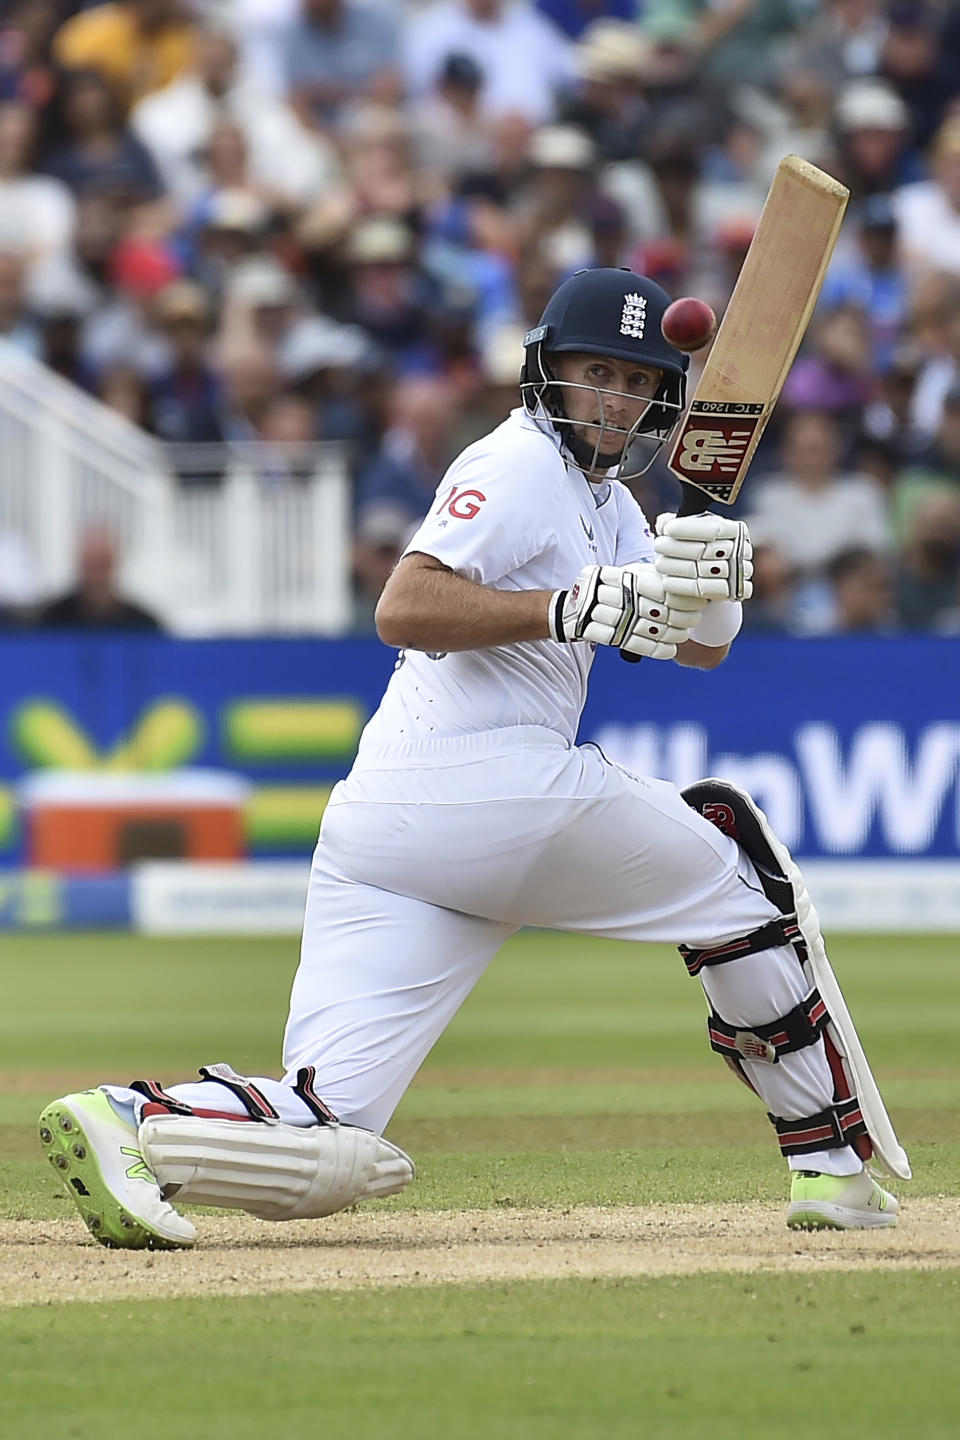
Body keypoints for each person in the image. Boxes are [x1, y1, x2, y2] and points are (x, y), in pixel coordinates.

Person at [39, 267, 902, 1251]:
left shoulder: (610, 505)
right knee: (736, 871)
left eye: (633, 380)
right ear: (547, 374)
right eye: (594, 374)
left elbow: (700, 647)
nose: (614, 400)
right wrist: (561, 608)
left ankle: (131, 1123)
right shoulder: (522, 463)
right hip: (488, 780)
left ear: (659, 397)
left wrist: (710, 569)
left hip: (388, 828)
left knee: (329, 1131)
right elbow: (402, 606)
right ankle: (829, 1166)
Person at [36, 527, 163, 631]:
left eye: (103, 564)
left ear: (115, 563)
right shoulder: (53, 619)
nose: (98, 574)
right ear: (81, 564)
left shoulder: (142, 623)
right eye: (92, 563)